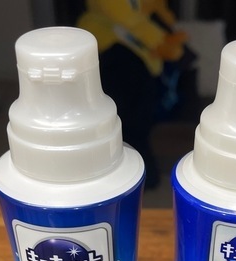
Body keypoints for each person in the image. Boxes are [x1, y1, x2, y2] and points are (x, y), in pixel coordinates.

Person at [77, 0, 187, 188]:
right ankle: (133, 179)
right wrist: (161, 41)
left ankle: (141, 176)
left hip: (139, 58)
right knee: (124, 124)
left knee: (139, 122)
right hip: (116, 53)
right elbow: (125, 16)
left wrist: (165, 26)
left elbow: (149, 7)